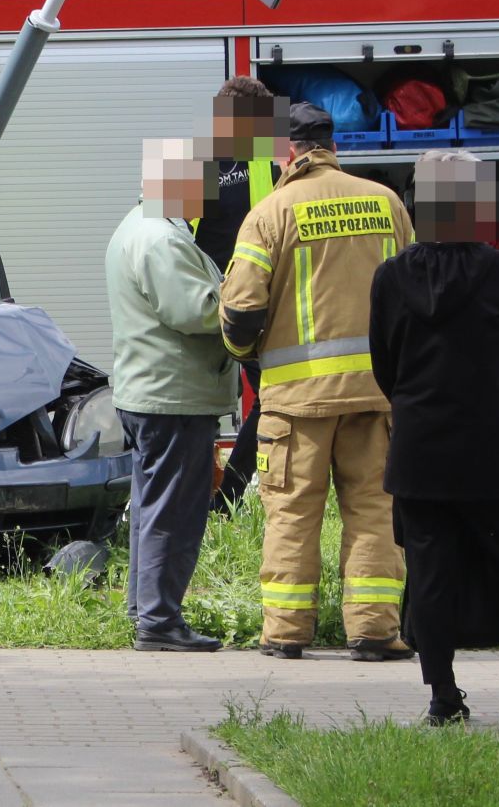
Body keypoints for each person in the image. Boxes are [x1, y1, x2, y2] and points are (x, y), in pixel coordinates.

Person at [370, 150, 499, 727]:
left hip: (419, 452)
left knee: (430, 575)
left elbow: (384, 367)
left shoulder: (389, 277)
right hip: (492, 449)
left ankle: (444, 699)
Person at [219, 102, 414, 662]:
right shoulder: (387, 203)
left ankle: (285, 633)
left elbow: (240, 310)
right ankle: (375, 631)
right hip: (374, 395)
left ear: (288, 151)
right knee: (375, 510)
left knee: (293, 514)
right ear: (332, 145)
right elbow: (409, 294)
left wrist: (246, 355)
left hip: (295, 402)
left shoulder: (271, 212)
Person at [106, 136, 237, 652]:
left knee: (150, 505)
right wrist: (243, 301)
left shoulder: (140, 227)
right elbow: (196, 310)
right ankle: (159, 622)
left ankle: (147, 612)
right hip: (174, 396)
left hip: (152, 392)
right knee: (174, 510)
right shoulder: (161, 238)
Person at [192, 77, 285, 511]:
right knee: (261, 398)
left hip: (227, 305)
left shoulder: (266, 164)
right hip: (216, 305)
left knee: (265, 396)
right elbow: (162, 237)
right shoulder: (193, 164)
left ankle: (223, 496)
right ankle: (218, 495)